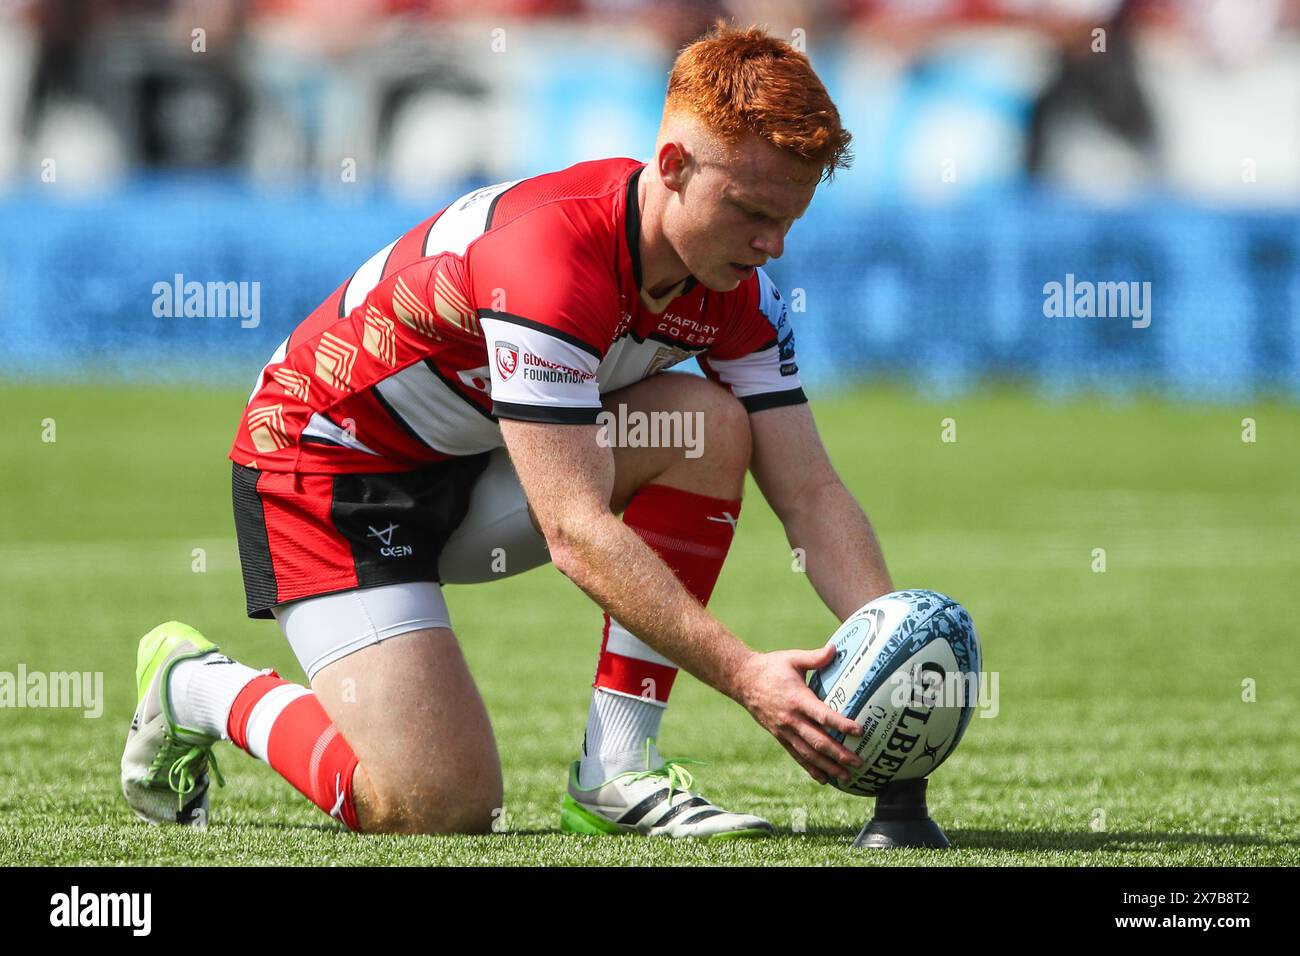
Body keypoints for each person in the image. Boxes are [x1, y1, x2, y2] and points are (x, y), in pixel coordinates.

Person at [121, 22, 894, 839]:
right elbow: (575, 532)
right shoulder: (551, 262)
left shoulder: (741, 291)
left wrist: (894, 643)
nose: (771, 246)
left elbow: (810, 492)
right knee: (439, 807)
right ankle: (195, 685)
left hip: (476, 459)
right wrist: (747, 677)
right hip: (322, 470)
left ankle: (618, 774)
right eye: (750, 212)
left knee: (706, 424)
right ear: (672, 166)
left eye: (789, 221)